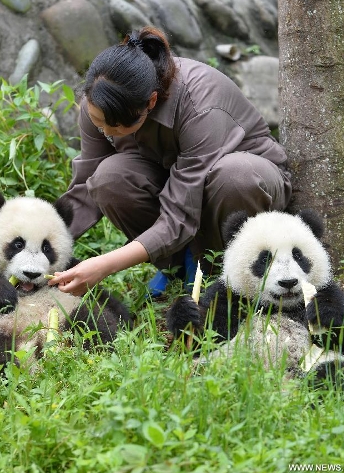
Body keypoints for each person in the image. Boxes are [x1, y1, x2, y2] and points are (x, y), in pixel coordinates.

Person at [49, 26, 291, 297]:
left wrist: (104, 266)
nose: (105, 131)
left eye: (115, 127)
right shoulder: (99, 102)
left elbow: (180, 213)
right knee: (109, 178)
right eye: (97, 122)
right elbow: (85, 185)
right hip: (175, 181)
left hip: (245, 185)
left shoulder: (200, 105)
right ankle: (176, 267)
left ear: (151, 102)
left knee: (234, 176)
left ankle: (222, 273)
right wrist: (39, 244)